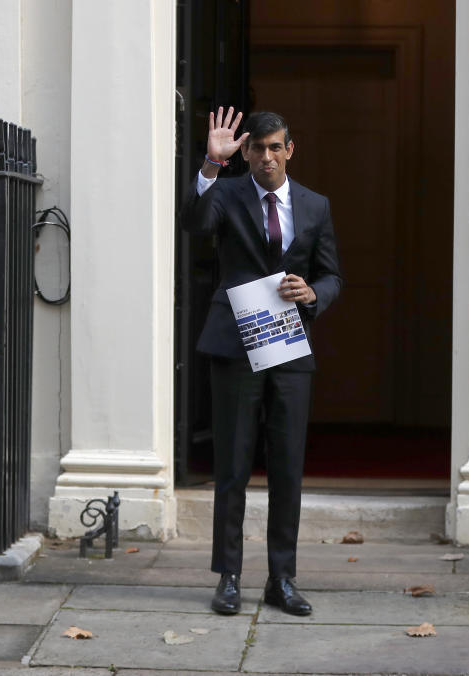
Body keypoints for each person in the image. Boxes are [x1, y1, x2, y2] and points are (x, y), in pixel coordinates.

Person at [180, 108, 342, 616]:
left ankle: (282, 578)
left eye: (276, 148)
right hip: (234, 344)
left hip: (290, 347)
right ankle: (228, 577)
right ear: (246, 152)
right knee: (232, 464)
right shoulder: (226, 194)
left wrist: (313, 291)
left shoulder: (316, 205)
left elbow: (333, 275)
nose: (267, 157)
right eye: (258, 148)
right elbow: (194, 223)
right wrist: (210, 163)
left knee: (287, 466)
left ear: (290, 150)